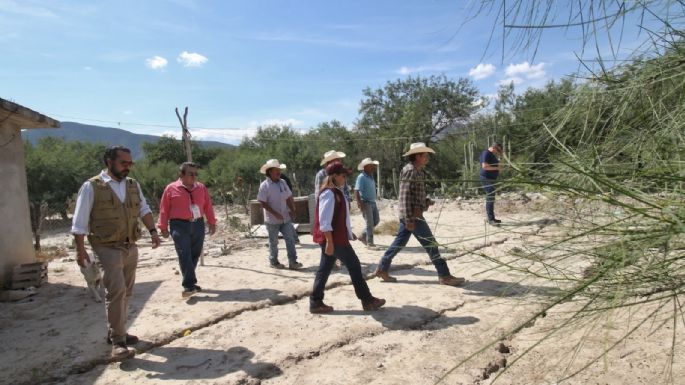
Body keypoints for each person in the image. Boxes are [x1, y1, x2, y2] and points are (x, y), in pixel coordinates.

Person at [71, 146, 161, 361]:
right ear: (109, 162)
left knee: (127, 292)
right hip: (106, 247)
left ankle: (116, 332)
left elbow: (144, 209)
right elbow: (80, 221)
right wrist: (80, 249)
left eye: (130, 163)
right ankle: (119, 342)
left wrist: (153, 231)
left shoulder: (132, 185)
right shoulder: (91, 186)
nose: (128, 167)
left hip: (130, 245)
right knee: (116, 291)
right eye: (124, 163)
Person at [374, 142, 465, 286]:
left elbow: (415, 194)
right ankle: (444, 275)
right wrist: (410, 219)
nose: (427, 157)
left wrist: (426, 201)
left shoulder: (417, 170)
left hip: (412, 215)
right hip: (413, 216)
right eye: (425, 155)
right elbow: (405, 196)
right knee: (431, 244)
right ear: (417, 156)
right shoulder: (410, 170)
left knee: (400, 242)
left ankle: (382, 268)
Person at [310, 161, 386, 313]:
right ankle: (367, 300)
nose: (345, 178)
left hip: (336, 238)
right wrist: (330, 242)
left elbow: (339, 218)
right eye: (343, 175)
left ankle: (316, 302)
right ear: (335, 176)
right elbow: (324, 221)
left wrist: (348, 232)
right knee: (354, 266)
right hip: (334, 240)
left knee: (324, 269)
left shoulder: (335, 192)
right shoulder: (328, 193)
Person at [158, 162, 217, 298]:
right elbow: (164, 208)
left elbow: (208, 206)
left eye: (196, 174)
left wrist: (212, 222)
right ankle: (189, 285)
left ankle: (190, 282)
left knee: (194, 254)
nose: (194, 176)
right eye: (191, 174)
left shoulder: (201, 188)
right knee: (184, 253)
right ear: (181, 174)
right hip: (179, 225)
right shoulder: (171, 188)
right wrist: (163, 227)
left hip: (198, 224)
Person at [257, 159, 302, 269]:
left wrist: (292, 209)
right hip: (272, 220)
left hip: (285, 217)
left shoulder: (283, 182)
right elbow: (262, 202)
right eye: (276, 170)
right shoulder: (264, 186)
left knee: (290, 239)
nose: (279, 172)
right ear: (270, 172)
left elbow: (288, 197)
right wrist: (275, 213)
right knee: (273, 242)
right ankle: (274, 262)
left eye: (279, 170)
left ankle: (293, 262)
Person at [354, 157, 380, 249]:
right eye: (370, 166)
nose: (372, 167)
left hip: (373, 202)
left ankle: (363, 235)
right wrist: (359, 203)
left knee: (376, 220)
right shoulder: (361, 177)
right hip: (366, 202)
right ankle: (370, 243)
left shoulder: (371, 176)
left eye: (373, 166)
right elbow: (356, 191)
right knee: (370, 223)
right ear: (365, 167)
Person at [480, 143, 504, 225]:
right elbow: (485, 166)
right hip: (486, 178)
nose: (498, 152)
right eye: (498, 150)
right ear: (494, 148)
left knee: (491, 197)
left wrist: (499, 163)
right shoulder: (486, 153)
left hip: (491, 179)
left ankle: (491, 218)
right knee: (490, 196)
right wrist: (497, 168)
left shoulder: (492, 155)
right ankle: (490, 219)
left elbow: (499, 169)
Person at [279, 172, 301, 244]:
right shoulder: (283, 179)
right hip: (283, 204)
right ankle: (295, 238)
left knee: (287, 223)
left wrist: (292, 207)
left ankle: (295, 238)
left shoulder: (282, 180)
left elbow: (289, 195)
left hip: (284, 205)